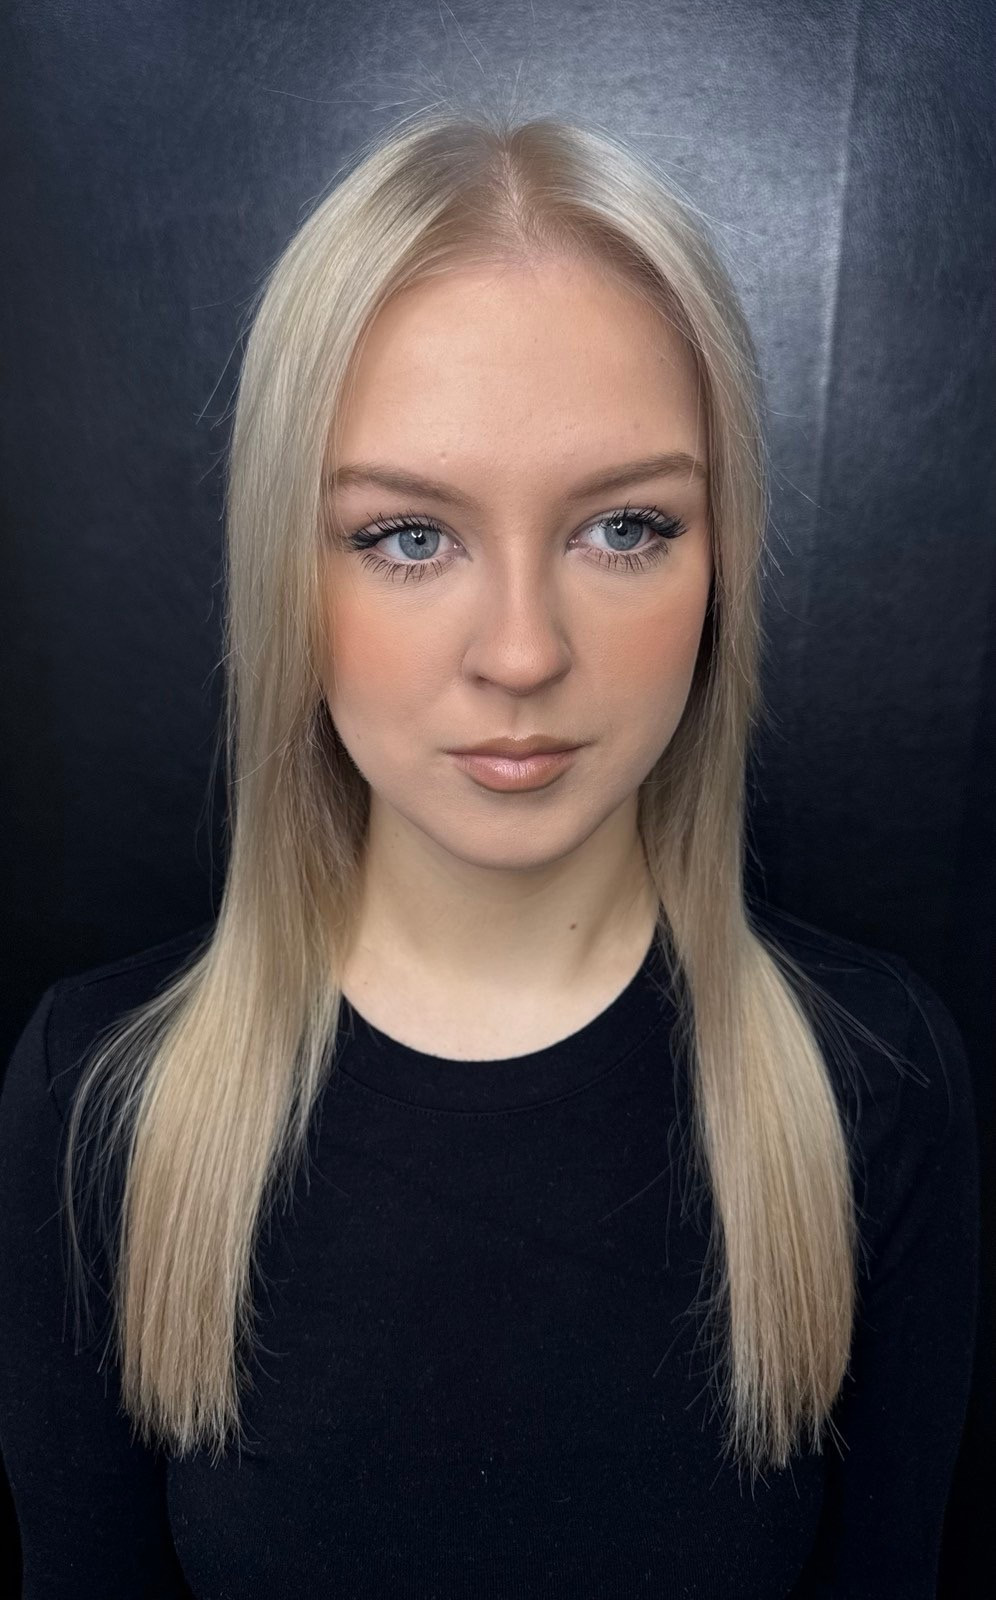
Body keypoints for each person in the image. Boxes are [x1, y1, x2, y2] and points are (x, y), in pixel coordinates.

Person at [0, 107, 979, 1599]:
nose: (521, 652)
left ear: (723, 560)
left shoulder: (875, 1087)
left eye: (625, 528)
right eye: (408, 536)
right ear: (287, 570)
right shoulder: (97, 1111)